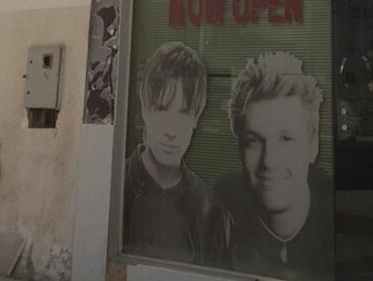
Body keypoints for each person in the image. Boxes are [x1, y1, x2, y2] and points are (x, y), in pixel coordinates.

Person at [209, 51, 333, 280]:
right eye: (254, 141)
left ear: (313, 144)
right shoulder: (218, 207)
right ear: (239, 147)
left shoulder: (336, 212)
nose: (269, 160)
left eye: (285, 139)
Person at [123, 41, 215, 264]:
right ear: (144, 108)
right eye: (162, 109)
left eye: (183, 113)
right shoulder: (115, 187)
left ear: (196, 118)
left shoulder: (210, 207)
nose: (171, 131)